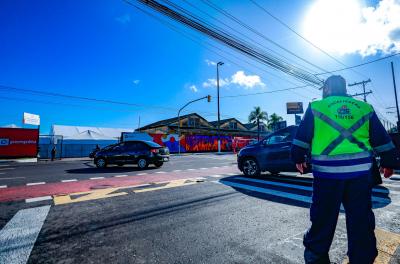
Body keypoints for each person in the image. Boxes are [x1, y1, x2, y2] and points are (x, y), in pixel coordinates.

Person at [291, 75, 399, 264]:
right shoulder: (364, 108)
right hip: (360, 175)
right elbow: (381, 137)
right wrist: (388, 162)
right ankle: (362, 259)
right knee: (361, 220)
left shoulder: (316, 107)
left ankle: (316, 257)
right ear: (345, 88)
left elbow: (302, 136)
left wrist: (298, 157)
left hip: (326, 176)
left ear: (326, 89)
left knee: (322, 219)